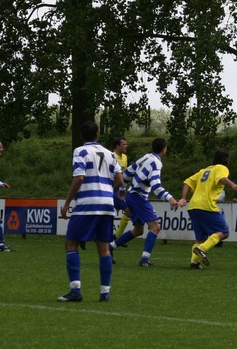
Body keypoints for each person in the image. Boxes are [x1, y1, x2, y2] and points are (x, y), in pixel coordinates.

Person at [58, 121, 123, 302]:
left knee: (71, 243)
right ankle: (105, 292)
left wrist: (67, 203)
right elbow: (120, 179)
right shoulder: (110, 154)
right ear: (97, 135)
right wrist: (106, 190)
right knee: (104, 248)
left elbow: (79, 177)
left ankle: (75, 291)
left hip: (87, 204)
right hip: (107, 205)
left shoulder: (80, 151)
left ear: (81, 136)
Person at [110, 138, 177, 267]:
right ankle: (144, 260)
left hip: (131, 195)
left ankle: (109, 247)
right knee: (155, 227)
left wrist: (123, 190)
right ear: (164, 149)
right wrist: (170, 198)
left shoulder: (146, 157)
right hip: (138, 197)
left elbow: (127, 173)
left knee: (138, 230)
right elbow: (156, 187)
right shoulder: (156, 163)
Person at [175, 149, 237, 268]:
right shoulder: (221, 168)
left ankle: (194, 263)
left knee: (200, 238)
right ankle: (202, 249)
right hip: (206, 205)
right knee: (224, 232)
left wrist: (184, 198)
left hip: (193, 206)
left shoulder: (203, 171)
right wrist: (233, 185)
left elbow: (187, 182)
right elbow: (222, 178)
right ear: (226, 159)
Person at [111, 136, 131, 240]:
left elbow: (124, 176)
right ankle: (116, 237)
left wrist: (123, 189)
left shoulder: (125, 158)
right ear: (117, 146)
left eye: (126, 144)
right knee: (129, 210)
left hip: (120, 189)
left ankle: (116, 236)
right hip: (112, 189)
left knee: (129, 211)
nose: (126, 146)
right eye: (124, 144)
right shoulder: (111, 157)